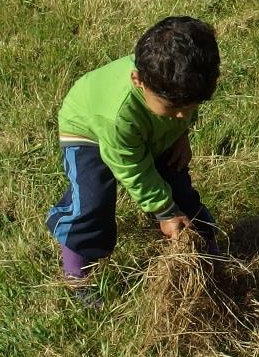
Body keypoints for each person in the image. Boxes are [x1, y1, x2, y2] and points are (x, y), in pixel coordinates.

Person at [46, 16, 221, 306]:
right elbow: (132, 168)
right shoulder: (117, 116)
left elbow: (182, 108)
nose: (183, 114)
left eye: (191, 107)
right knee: (93, 201)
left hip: (151, 131)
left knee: (180, 189)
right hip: (89, 130)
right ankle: (76, 273)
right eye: (176, 108)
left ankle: (206, 249)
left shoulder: (179, 83)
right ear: (138, 81)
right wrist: (163, 211)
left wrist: (181, 135)